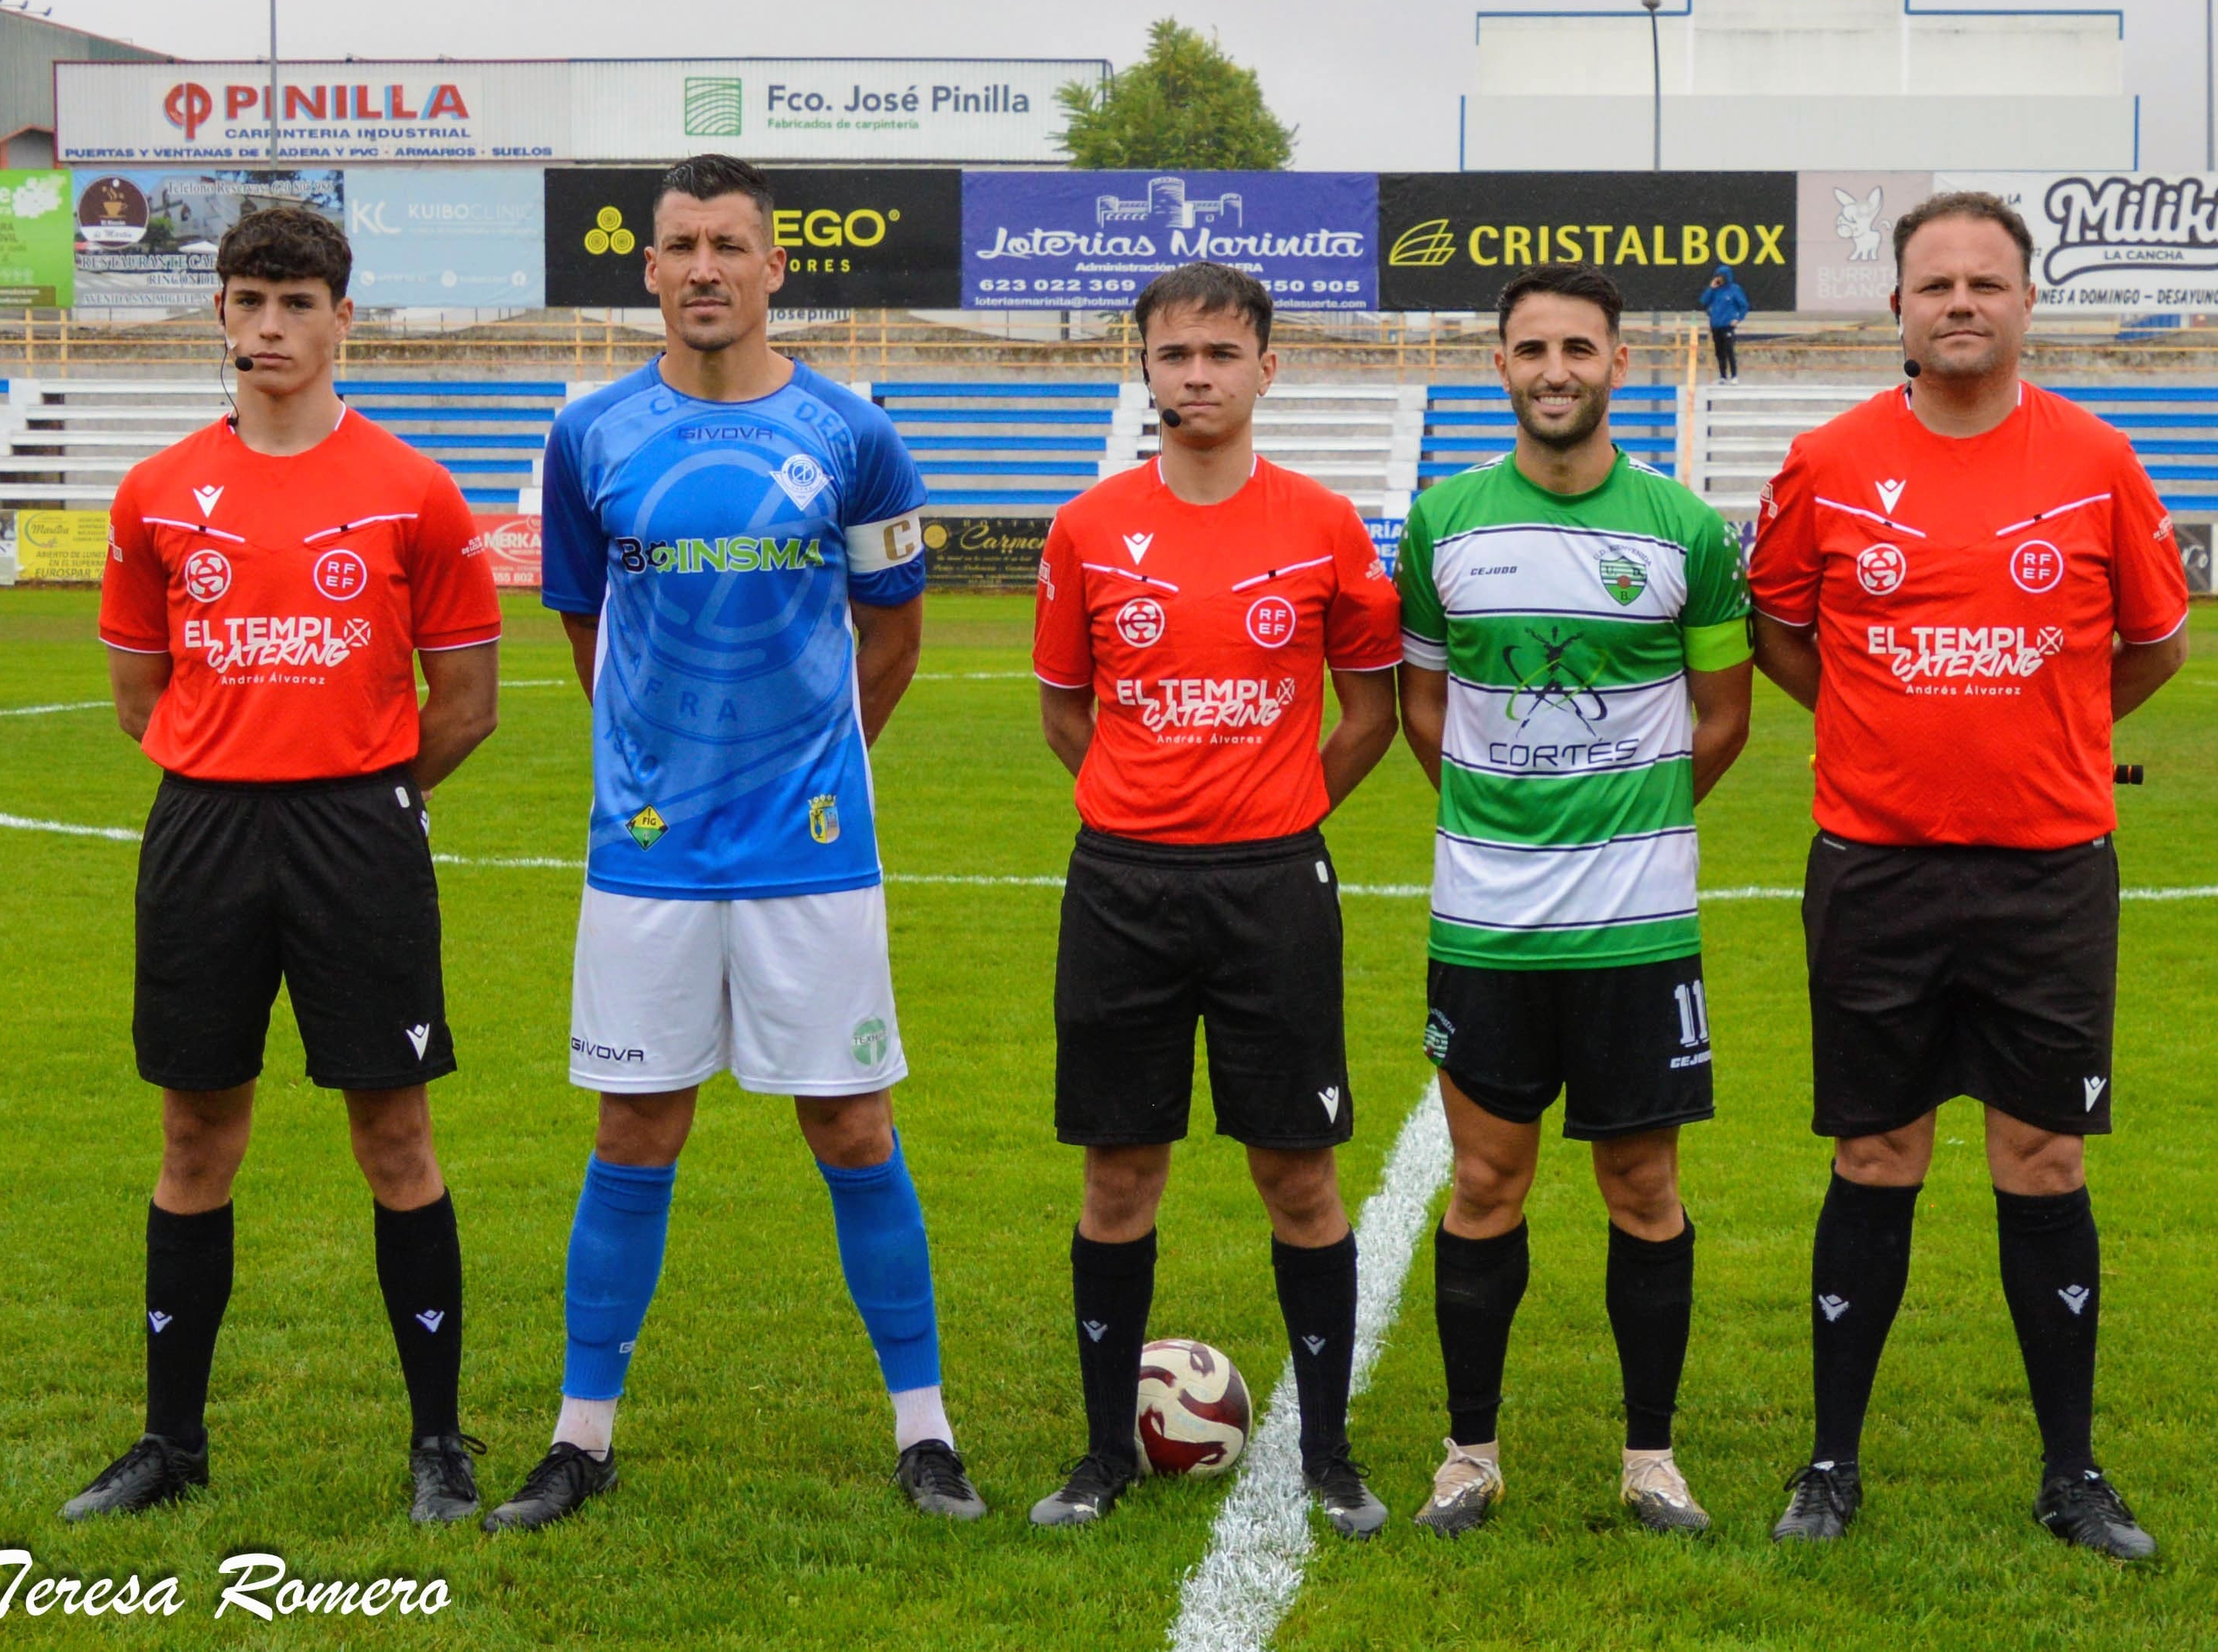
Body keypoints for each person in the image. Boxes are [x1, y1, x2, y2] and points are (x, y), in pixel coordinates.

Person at [485, 153, 981, 1531]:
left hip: (812, 853)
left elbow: (894, 630)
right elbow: (585, 632)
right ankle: (580, 1438)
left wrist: (813, 767)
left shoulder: (854, 432)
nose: (704, 266)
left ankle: (924, 1432)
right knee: (635, 1126)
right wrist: (659, 765)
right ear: (647, 271)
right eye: (679, 244)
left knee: (852, 1122)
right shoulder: (588, 436)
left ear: (774, 268)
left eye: (729, 245)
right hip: (644, 852)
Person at [1747, 189, 2189, 1562]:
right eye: (1931, 281)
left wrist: (2042, 730)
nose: (1957, 301)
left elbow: (2154, 645)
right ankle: (1828, 1461)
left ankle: (2070, 1471)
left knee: (2039, 1153)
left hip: (2047, 870)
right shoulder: (1824, 460)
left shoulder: (2097, 458)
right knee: (1874, 1152)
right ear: (1893, 305)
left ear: (2024, 301)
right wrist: (1884, 728)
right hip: (1875, 867)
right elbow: (1780, 634)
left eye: (1983, 282)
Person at [67, 206, 503, 1524]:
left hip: (355, 832)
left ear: (341, 321)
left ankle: (437, 1442)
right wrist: (240, 770)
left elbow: (469, 699)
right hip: (203, 829)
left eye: (297, 303)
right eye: (249, 300)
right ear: (217, 312)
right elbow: (141, 695)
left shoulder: (412, 489)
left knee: (395, 1129)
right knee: (195, 1130)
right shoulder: (154, 493)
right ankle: (170, 1442)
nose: (271, 325)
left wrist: (363, 789)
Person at [1025, 262, 1403, 1535]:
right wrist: (1144, 804)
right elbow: (1063, 712)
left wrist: (1278, 804)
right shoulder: (1086, 528)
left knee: (1298, 1170)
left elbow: (1370, 712)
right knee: (1118, 1167)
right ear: (1143, 366)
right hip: (1123, 886)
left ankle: (1331, 1454)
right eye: (1174, 353)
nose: (1197, 374)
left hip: (1271, 886)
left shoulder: (1323, 525)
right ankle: (1097, 1453)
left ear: (1264, 370)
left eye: (1220, 354)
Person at [1397, 262, 1754, 1537]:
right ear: (1500, 364)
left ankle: (1648, 1458)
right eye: (1531, 347)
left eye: (1579, 348)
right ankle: (1468, 1453)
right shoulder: (1442, 525)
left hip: (1638, 922)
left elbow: (1723, 717)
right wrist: (1508, 816)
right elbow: (1422, 708)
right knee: (1484, 1182)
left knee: (1642, 1186)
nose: (1555, 368)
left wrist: (1625, 819)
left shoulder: (1685, 531)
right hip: (1486, 921)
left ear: (1618, 362)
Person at [1700, 268, 1750, 382]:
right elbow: (1704, 301)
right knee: (1719, 352)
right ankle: (1723, 376)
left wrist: (1738, 319)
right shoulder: (1715, 290)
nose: (1719, 279)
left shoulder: (1735, 289)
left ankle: (1734, 376)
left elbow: (1744, 305)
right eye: (1718, 277)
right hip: (1716, 325)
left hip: (1727, 325)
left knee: (1729, 350)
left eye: (1722, 277)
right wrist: (1711, 289)